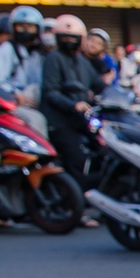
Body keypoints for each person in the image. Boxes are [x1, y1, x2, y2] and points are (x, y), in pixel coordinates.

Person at [39, 15, 101, 194]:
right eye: (65, 38)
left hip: (82, 119)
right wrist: (73, 105)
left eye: (73, 38)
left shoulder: (82, 61)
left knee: (104, 149)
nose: (69, 42)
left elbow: (97, 83)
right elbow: (51, 92)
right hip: (61, 121)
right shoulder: (53, 58)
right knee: (77, 160)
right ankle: (77, 202)